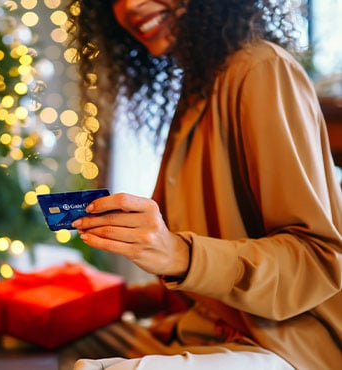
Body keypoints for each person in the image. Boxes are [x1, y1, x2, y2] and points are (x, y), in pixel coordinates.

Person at [65, 0, 342, 369]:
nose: (130, 5)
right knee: (58, 343)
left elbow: (318, 261)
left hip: (282, 347)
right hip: (200, 333)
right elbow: (205, 278)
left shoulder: (260, 68)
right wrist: (118, 298)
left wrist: (177, 253)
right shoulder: (198, 86)